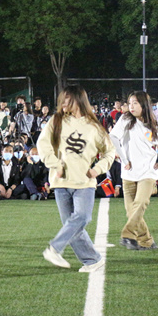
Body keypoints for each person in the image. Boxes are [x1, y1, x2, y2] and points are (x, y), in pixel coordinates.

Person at [37, 85, 115, 272]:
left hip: (84, 182)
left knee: (82, 218)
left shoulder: (94, 127)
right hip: (60, 182)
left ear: (78, 100)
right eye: (62, 99)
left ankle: (55, 248)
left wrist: (97, 170)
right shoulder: (56, 120)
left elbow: (110, 152)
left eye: (67, 99)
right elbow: (42, 144)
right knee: (72, 226)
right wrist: (56, 164)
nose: (63, 103)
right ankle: (92, 260)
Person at [109, 91, 158, 251]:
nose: (131, 106)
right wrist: (124, 159)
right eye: (130, 103)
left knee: (139, 205)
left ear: (144, 105)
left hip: (148, 173)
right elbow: (113, 137)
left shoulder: (153, 126)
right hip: (128, 173)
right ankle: (147, 241)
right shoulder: (125, 119)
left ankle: (128, 235)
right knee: (131, 211)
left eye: (135, 103)